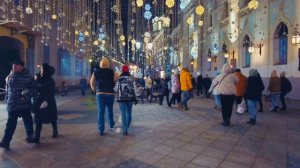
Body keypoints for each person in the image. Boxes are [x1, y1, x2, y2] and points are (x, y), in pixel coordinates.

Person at [0, 60, 36, 150]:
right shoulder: (10, 76)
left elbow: (34, 88)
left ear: (22, 67)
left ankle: (31, 136)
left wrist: (27, 96)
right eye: (13, 66)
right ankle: (5, 142)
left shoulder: (28, 76)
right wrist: (7, 100)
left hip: (24, 104)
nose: (14, 67)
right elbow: (7, 89)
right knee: (10, 124)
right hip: (12, 104)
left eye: (16, 66)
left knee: (28, 122)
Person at [28, 63, 58, 143]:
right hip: (40, 100)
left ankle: (55, 130)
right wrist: (36, 78)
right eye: (40, 69)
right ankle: (37, 137)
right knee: (38, 118)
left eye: (42, 69)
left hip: (48, 101)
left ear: (46, 71)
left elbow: (50, 92)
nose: (41, 71)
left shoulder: (50, 80)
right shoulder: (39, 78)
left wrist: (46, 101)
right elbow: (36, 87)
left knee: (52, 118)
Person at [90, 58, 117, 135]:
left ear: (100, 64)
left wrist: (95, 89)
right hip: (110, 93)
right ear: (108, 64)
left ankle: (101, 129)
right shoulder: (112, 72)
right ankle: (111, 123)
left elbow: (92, 82)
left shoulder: (96, 72)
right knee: (110, 109)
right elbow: (115, 80)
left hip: (100, 93)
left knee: (101, 111)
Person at [114, 65, 137, 135]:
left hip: (121, 99)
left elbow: (115, 89)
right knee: (129, 112)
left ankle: (125, 130)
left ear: (122, 70)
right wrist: (136, 97)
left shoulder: (119, 79)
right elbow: (135, 89)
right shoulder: (131, 78)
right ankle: (127, 125)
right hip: (130, 98)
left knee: (123, 114)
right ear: (128, 70)